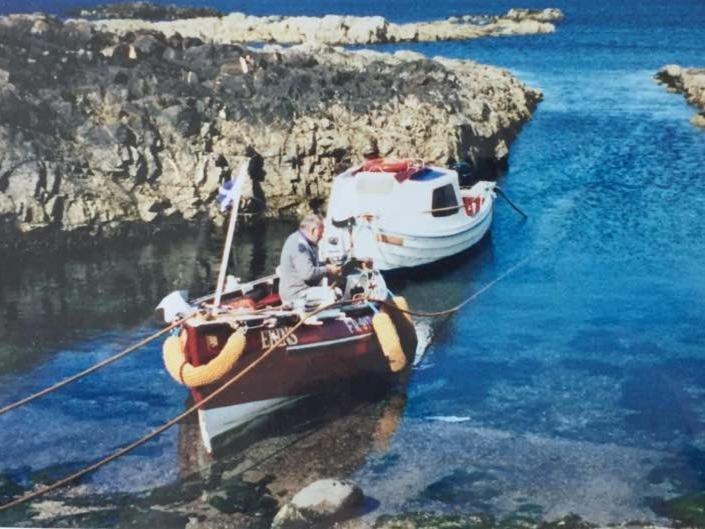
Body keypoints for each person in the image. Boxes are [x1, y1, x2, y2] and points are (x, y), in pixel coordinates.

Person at [278, 213, 341, 306]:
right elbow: (308, 274)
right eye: (321, 232)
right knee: (335, 294)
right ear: (313, 230)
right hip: (296, 295)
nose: (322, 236)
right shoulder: (299, 246)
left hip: (301, 291)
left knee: (334, 289)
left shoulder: (302, 241)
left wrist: (325, 267)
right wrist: (328, 269)